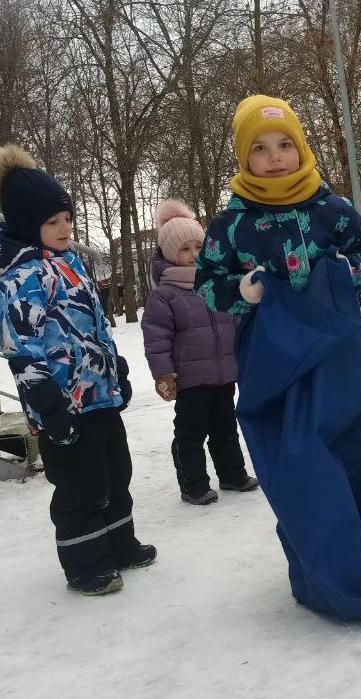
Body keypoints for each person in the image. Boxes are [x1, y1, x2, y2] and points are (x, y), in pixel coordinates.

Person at [195, 95, 361, 619]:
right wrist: (244, 291)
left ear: (302, 148)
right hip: (276, 364)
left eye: (285, 144)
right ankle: (323, 568)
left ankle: (360, 546)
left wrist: (346, 274)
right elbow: (208, 284)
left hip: (340, 356)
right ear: (243, 156)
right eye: (260, 148)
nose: (274, 157)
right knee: (300, 464)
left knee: (360, 448)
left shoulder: (331, 207)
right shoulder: (231, 224)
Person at [0, 144, 155, 596]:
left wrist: (116, 369)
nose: (65, 228)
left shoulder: (70, 263)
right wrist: (47, 405)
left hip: (98, 394)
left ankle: (119, 544)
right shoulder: (20, 278)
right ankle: (86, 565)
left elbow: (95, 324)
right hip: (62, 404)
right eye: (52, 222)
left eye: (68, 219)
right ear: (26, 224)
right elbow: (21, 348)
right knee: (81, 483)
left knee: (115, 471)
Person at [141, 199, 259, 506]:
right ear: (169, 253)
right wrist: (164, 374)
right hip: (190, 378)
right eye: (185, 249)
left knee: (225, 427)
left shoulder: (218, 284)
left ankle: (232, 474)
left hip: (224, 374)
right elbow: (156, 339)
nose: (193, 254)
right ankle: (193, 485)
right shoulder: (165, 295)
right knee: (191, 433)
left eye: (198, 246)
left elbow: (236, 320)